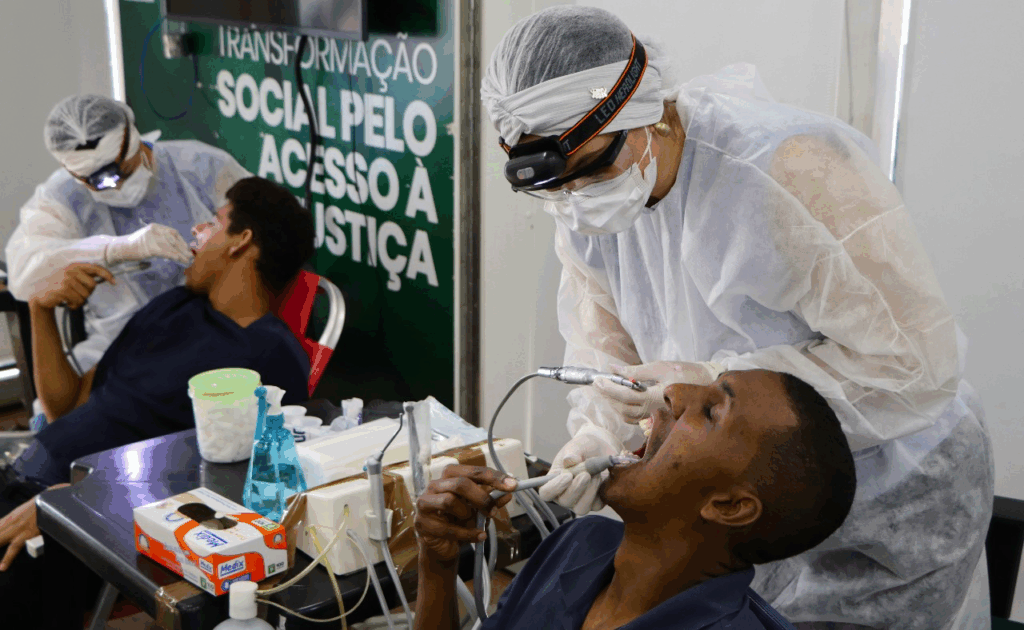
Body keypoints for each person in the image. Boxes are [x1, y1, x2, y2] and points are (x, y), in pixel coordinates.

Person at [481, 6, 993, 629]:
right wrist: (599, 432)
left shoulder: (787, 171)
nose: (576, 199)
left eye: (592, 169)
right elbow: (604, 351)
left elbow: (914, 365)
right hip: (740, 501)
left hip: (890, 485)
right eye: (554, 187)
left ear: (651, 111)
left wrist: (710, 376)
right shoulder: (585, 206)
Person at [0, 176, 314, 629]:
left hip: (94, 522)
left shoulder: (270, 358)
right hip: (28, 483)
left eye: (214, 222)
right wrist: (41, 310)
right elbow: (66, 408)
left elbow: (231, 492)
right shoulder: (173, 308)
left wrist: (78, 502)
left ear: (241, 241)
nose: (196, 232)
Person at [414, 369, 857, 630]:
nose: (673, 391)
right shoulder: (579, 543)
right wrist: (438, 564)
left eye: (711, 411)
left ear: (728, 506)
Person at [5, 94, 251, 381]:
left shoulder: (202, 167)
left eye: (117, 171)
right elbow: (23, 275)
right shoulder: (65, 196)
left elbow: (267, 228)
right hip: (117, 346)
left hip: (213, 332)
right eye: (95, 181)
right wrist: (115, 250)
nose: (113, 186)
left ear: (132, 139)